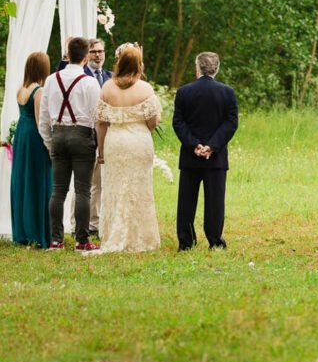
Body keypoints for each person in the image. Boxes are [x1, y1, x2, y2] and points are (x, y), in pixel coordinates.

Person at [93, 44, 162, 253]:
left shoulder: (107, 87)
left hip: (115, 142)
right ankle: (140, 237)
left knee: (115, 188)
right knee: (139, 188)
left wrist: (102, 151)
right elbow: (152, 123)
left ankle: (114, 234)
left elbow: (100, 123)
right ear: (138, 64)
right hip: (138, 142)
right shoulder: (145, 89)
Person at [39, 36, 102, 251]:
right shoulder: (90, 82)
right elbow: (97, 117)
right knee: (83, 190)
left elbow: (43, 117)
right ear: (85, 57)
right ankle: (82, 241)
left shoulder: (51, 80)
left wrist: (50, 142)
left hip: (58, 135)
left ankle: (56, 240)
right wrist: (97, 144)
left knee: (58, 191)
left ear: (68, 54)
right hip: (82, 136)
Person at [173, 52, 239, 251]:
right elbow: (231, 123)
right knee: (215, 201)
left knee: (186, 200)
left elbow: (178, 122)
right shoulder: (227, 92)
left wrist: (194, 145)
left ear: (198, 68)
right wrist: (212, 146)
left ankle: (186, 241)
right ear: (216, 68)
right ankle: (215, 240)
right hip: (216, 157)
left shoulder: (184, 92)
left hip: (190, 155)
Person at [10, 52, 53, 248]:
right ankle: (39, 230)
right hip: (34, 136)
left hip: (21, 134)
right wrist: (49, 143)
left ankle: (23, 229)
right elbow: (40, 120)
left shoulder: (21, 89)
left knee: (23, 179)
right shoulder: (39, 90)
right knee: (39, 180)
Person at [86, 38, 112, 236]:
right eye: (94, 51)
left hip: (110, 136)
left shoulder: (110, 77)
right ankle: (90, 223)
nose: (97, 55)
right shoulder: (82, 76)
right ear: (87, 54)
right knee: (89, 183)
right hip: (87, 134)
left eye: (100, 51)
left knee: (104, 183)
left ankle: (101, 219)